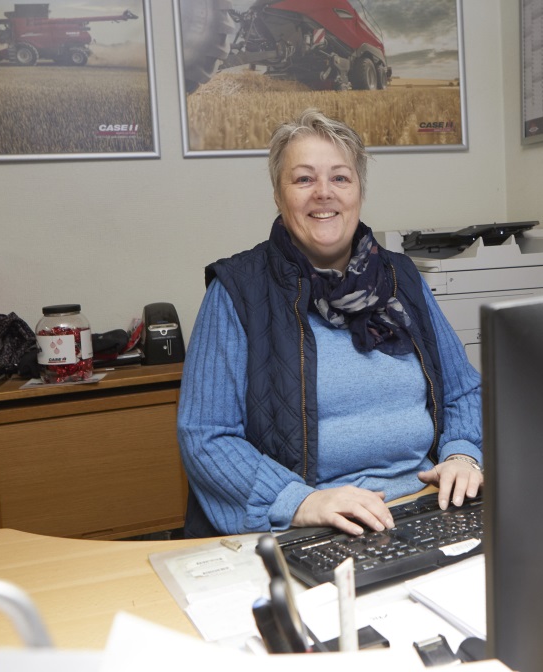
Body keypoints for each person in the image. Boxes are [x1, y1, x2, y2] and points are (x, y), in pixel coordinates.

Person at [177, 108, 483, 538]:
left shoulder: (402, 278)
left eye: (340, 178)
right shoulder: (237, 291)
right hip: (312, 527)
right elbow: (206, 436)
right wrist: (300, 501)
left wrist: (463, 455)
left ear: (359, 192)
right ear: (278, 195)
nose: (324, 193)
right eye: (304, 179)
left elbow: (464, 390)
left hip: (425, 508)